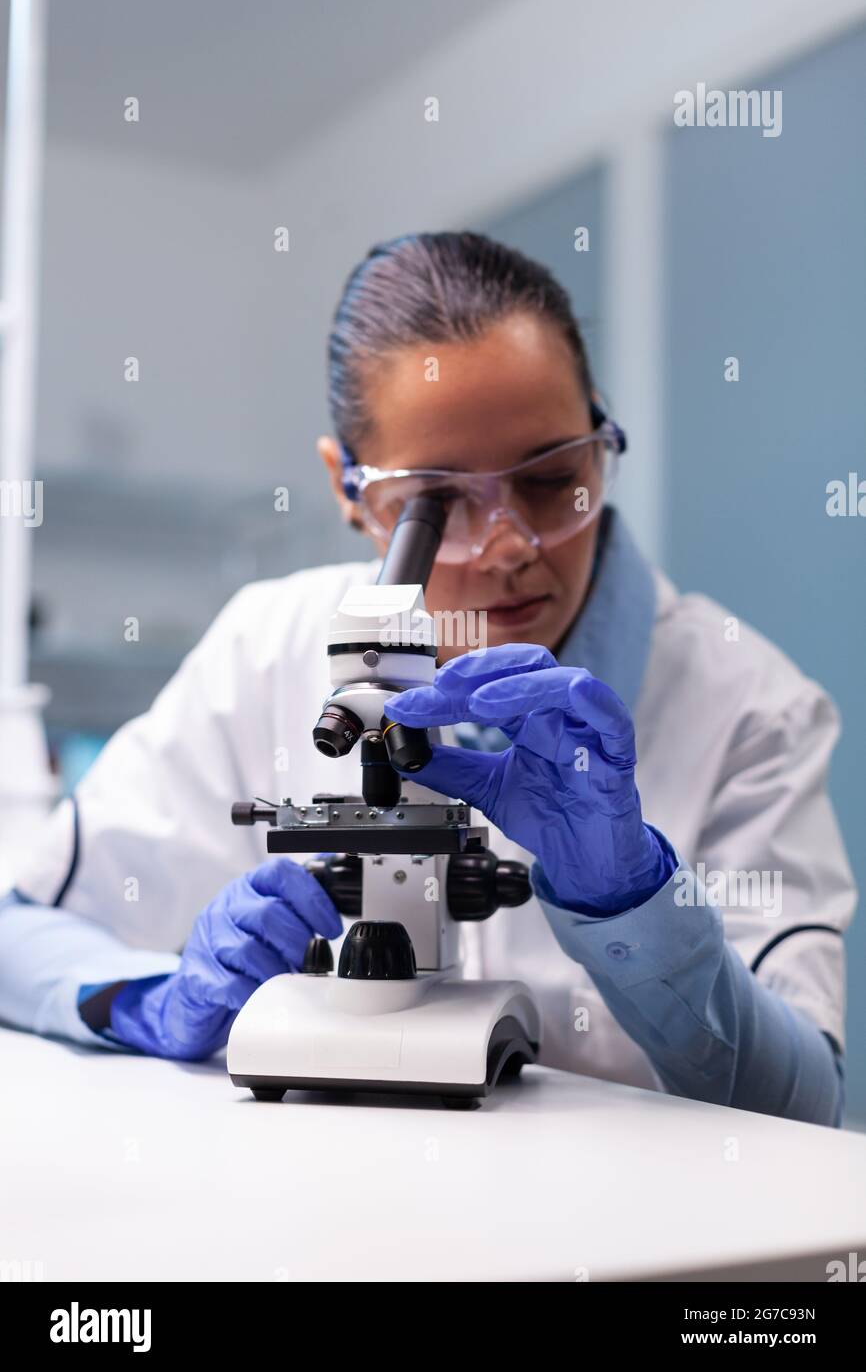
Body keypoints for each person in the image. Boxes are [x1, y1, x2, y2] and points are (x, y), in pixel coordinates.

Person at [0, 232, 854, 1124]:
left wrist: (634, 907)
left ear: (602, 435)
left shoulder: (753, 707)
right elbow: (18, 936)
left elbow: (804, 1108)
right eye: (435, 504)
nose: (511, 546)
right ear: (346, 488)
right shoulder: (267, 644)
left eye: (553, 478)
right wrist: (156, 999)